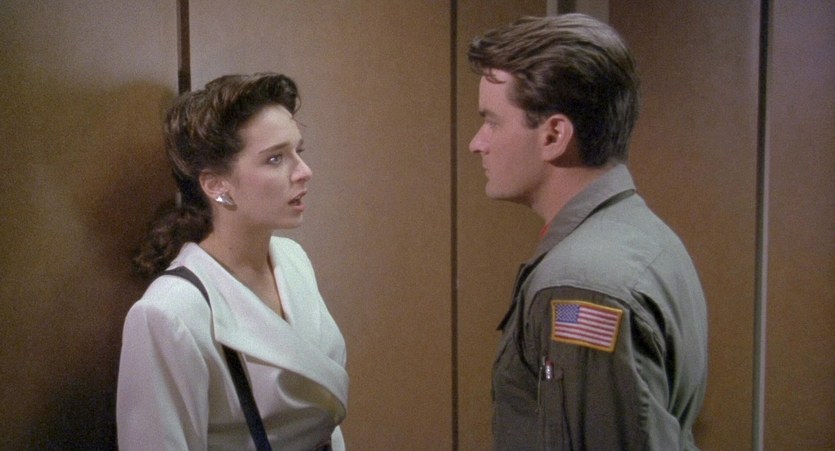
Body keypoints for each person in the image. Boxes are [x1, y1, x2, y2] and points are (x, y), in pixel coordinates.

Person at [467, 14, 707, 450]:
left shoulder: (581, 285)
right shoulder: (644, 236)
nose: (477, 142)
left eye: (492, 121)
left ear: (554, 135)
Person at [117, 73, 348, 450]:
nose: (304, 172)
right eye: (275, 158)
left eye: (299, 152)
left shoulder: (293, 260)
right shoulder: (167, 313)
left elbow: (321, 416)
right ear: (216, 185)